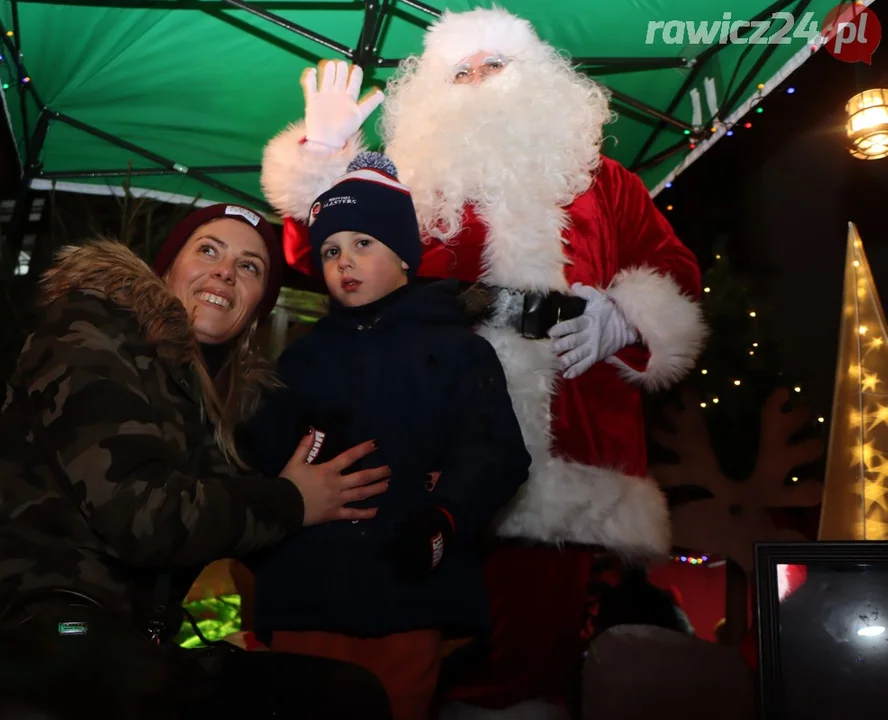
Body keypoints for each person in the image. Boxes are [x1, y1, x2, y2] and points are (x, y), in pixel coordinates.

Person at [260, 6, 707, 716]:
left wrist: (623, 317)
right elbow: (312, 251)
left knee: (535, 661)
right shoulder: (405, 185)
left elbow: (676, 270)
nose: (474, 83)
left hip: (568, 461)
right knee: (406, 653)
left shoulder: (607, 184)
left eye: (492, 67)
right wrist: (322, 159)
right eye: (456, 72)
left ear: (536, 78)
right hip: (420, 456)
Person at [0, 203, 395, 720]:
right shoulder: (91, 331)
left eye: (249, 266)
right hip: (26, 629)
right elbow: (143, 516)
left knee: (343, 696)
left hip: (125, 646)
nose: (226, 272)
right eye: (209, 250)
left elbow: (251, 525)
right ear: (165, 272)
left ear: (256, 309)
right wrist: (293, 501)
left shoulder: (214, 414)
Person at [241, 152, 530, 720]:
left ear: (403, 255)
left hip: (404, 594)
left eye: (363, 243)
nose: (344, 261)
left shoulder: (458, 350)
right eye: (330, 250)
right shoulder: (300, 359)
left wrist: (442, 521)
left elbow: (494, 452)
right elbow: (259, 459)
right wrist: (281, 494)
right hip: (305, 592)